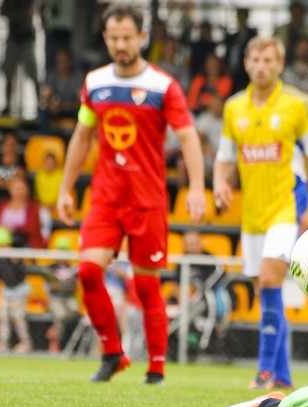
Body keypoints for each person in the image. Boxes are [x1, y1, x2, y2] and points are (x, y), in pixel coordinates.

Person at [56, 4, 207, 385]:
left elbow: (188, 136)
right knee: (89, 271)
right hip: (105, 198)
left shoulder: (162, 85)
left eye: (128, 37)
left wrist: (196, 187)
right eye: (114, 38)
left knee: (145, 284)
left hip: (147, 199)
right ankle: (112, 354)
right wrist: (65, 187)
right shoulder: (94, 83)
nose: (121, 45)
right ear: (106, 39)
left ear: (142, 38)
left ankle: (155, 368)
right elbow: (82, 137)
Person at [214, 36, 308, 390]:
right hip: (253, 213)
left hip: (287, 205)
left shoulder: (299, 103)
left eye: (268, 60)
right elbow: (225, 157)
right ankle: (284, 376)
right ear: (247, 63)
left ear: (280, 65)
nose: (261, 66)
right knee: (266, 291)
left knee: (270, 281)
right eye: (256, 59)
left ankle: (263, 372)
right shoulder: (234, 107)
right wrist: (219, 182)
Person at [0, 226, 33, 354]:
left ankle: (25, 343)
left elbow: (19, 277)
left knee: (18, 318)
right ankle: (3, 342)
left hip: (19, 291)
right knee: (3, 317)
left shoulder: (15, 257)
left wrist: (14, 262)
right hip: (6, 291)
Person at [0, 0, 40, 116]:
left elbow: (29, 12)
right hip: (13, 37)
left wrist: (16, 13)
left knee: (33, 72)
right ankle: (7, 106)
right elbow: (2, 11)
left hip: (26, 38)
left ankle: (39, 105)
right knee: (9, 72)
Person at [43, 236, 79, 353]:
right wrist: (53, 286)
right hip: (55, 297)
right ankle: (55, 341)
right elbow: (46, 287)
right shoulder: (50, 268)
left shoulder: (72, 269)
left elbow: (74, 288)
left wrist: (70, 283)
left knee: (74, 310)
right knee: (60, 314)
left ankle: (54, 332)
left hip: (68, 297)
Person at [39, 48, 85, 132]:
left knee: (82, 114)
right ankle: (45, 139)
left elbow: (80, 100)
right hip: (57, 109)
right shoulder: (53, 75)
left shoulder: (78, 77)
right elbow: (47, 95)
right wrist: (52, 105)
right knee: (43, 112)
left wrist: (67, 106)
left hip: (73, 109)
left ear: (71, 62)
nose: (62, 65)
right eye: (60, 62)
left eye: (65, 61)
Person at [0, 177, 45, 249]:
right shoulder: (2, 204)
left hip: (25, 243)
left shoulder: (33, 206)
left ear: (27, 190)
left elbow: (32, 228)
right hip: (0, 242)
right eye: (16, 188)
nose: (19, 192)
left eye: (21, 188)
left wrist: (13, 229)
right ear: (10, 189)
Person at [281, 37, 308, 109]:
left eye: (307, 49)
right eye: (302, 49)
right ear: (295, 50)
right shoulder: (287, 73)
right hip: (289, 109)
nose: (304, 52)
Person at [223, 8, 258, 94]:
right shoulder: (233, 38)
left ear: (247, 18)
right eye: (239, 17)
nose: (241, 19)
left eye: (243, 17)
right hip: (232, 73)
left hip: (246, 73)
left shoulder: (252, 36)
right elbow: (227, 53)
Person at [274, 1, 308, 66]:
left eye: (298, 14)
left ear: (303, 14)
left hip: (305, 64)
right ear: (291, 13)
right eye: (294, 13)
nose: (296, 16)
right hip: (285, 62)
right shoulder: (281, 30)